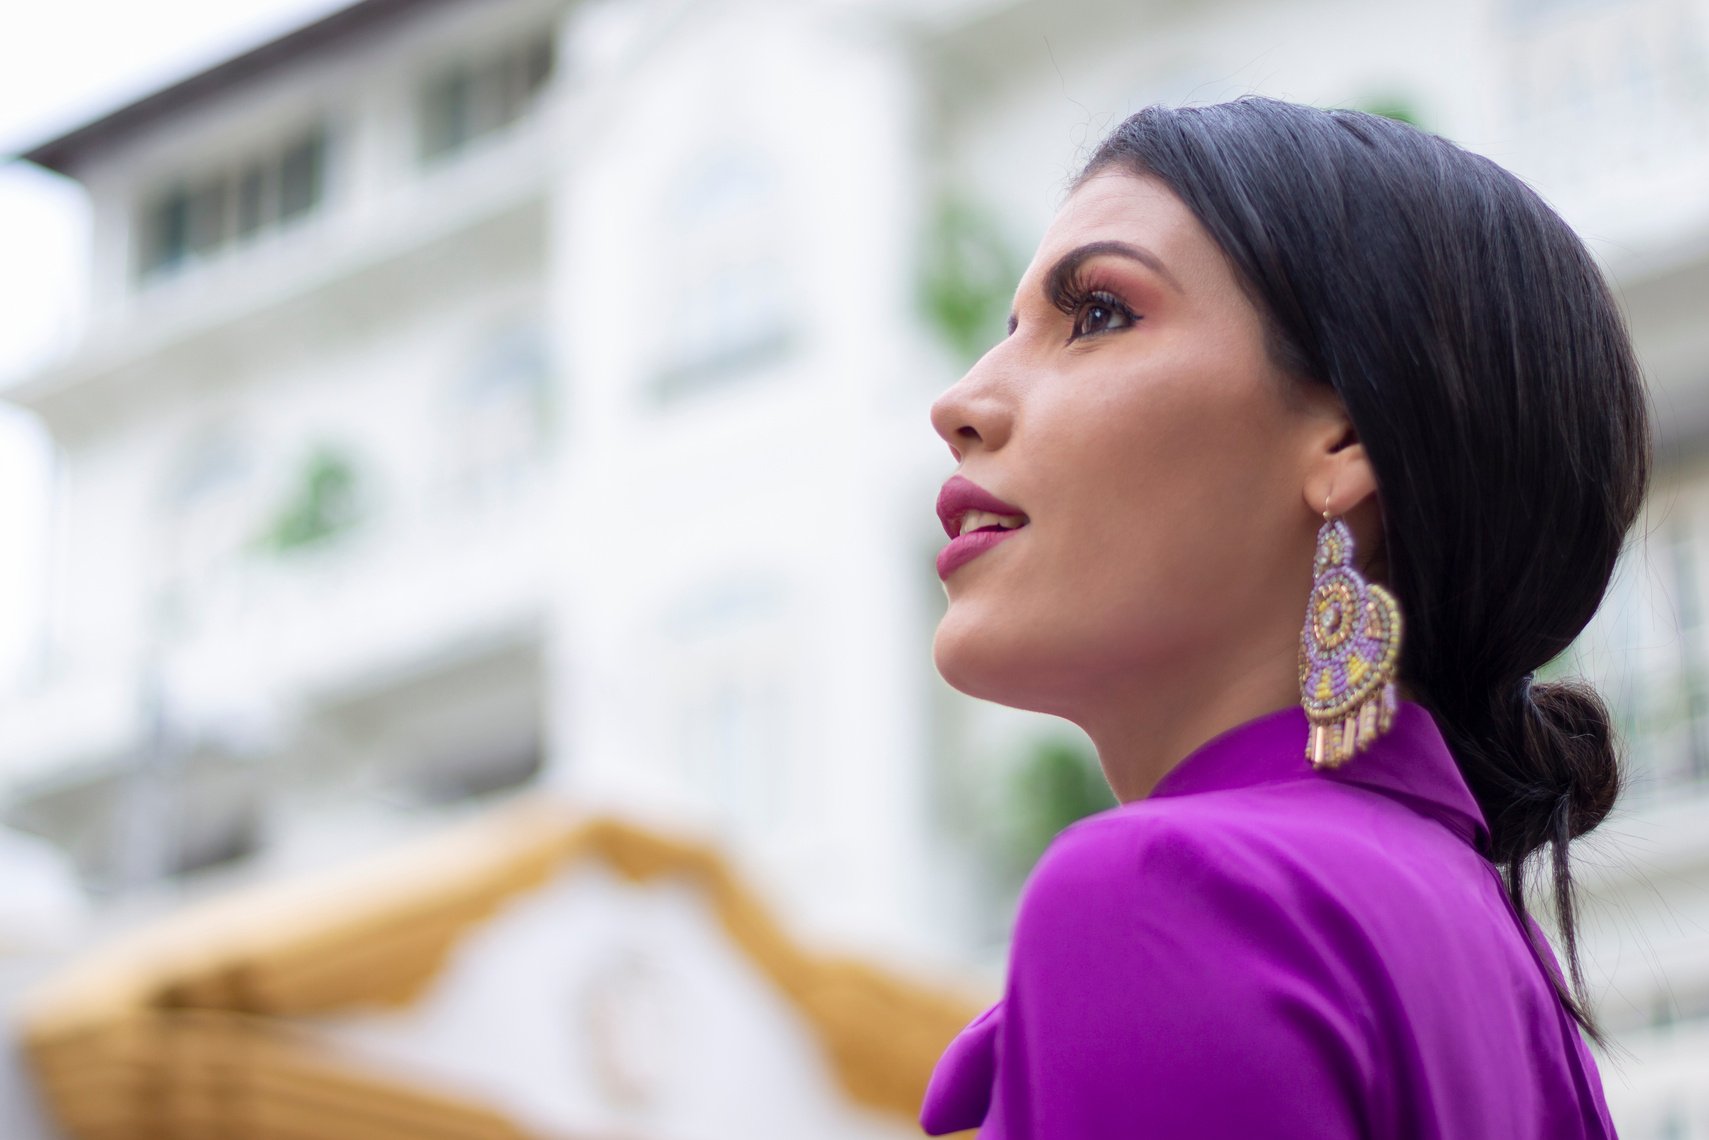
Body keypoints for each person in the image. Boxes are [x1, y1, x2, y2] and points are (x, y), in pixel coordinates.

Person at [919, 97, 1649, 1139]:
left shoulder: (1167, 897)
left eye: (1096, 314)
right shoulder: (1497, 965)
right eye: (1008, 332)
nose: (959, 402)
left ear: (1346, 438)